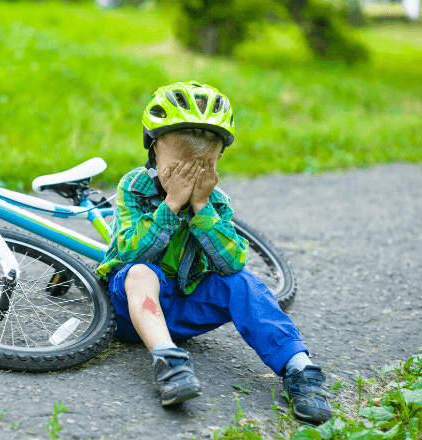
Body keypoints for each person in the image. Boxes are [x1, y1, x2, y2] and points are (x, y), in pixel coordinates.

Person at [94, 81, 333, 423]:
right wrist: (172, 204)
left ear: (218, 160)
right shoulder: (134, 187)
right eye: (179, 167)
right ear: (155, 149)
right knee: (141, 272)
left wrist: (202, 207)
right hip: (131, 313)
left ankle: (299, 369)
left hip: (186, 311)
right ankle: (168, 361)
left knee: (243, 283)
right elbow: (132, 251)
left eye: (202, 166)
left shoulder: (216, 202)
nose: (189, 176)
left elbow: (232, 262)